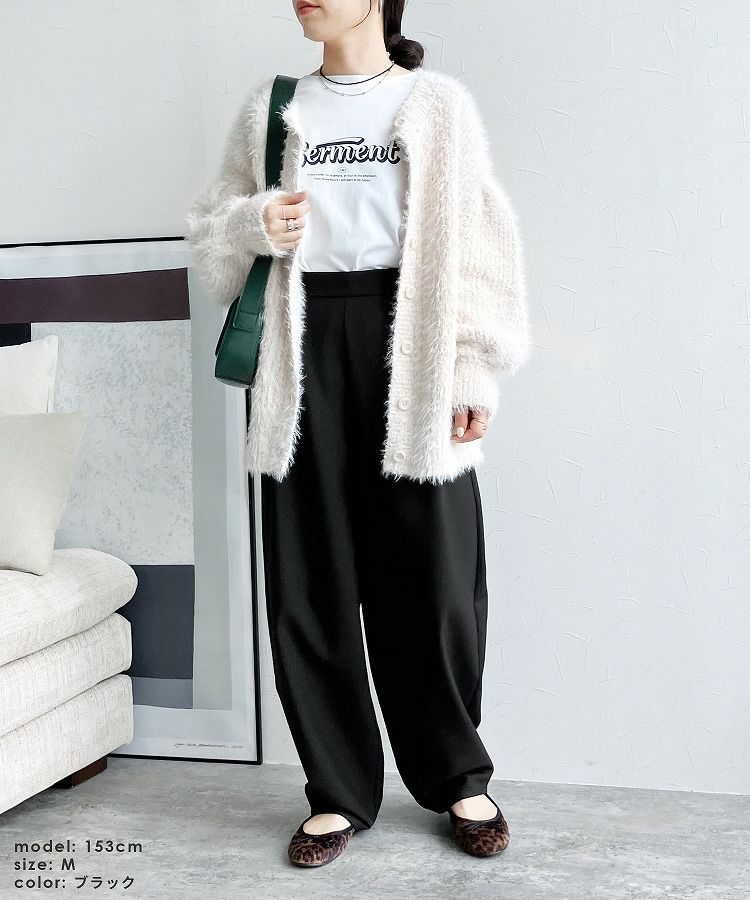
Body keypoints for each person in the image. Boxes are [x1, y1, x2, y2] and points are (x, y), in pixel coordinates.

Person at [186, 0, 531, 869]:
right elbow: (211, 235)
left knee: (437, 575)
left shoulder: (437, 103)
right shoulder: (271, 107)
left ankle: (457, 775)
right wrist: (252, 225)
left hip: (412, 337)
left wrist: (472, 368)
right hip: (301, 342)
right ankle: (337, 790)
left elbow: (482, 247)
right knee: (310, 578)